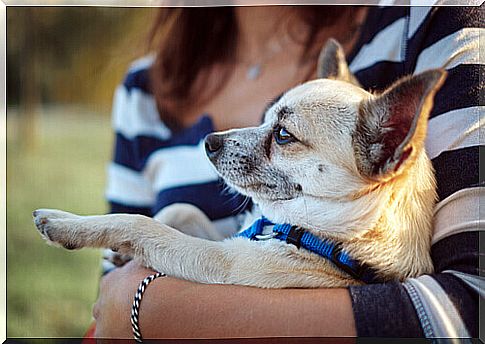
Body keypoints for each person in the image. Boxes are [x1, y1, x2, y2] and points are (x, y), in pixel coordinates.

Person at [94, 4, 482, 339]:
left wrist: (161, 313)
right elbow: (111, 285)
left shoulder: (437, 19)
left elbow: (472, 308)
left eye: (282, 134)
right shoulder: (143, 88)